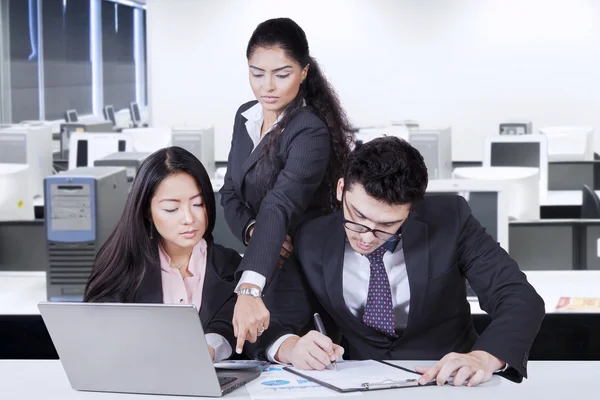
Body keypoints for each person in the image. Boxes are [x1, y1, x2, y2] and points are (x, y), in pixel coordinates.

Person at [261, 137, 545, 387]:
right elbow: (270, 320)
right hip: (360, 384)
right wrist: (291, 347)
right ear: (340, 190)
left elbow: (517, 297)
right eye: (357, 216)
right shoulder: (311, 237)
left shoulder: (450, 220)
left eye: (386, 225)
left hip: (450, 383)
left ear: (411, 211)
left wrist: (485, 358)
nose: (367, 238)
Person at [220, 17, 353, 354]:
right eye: (257, 73)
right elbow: (230, 191)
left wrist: (249, 288)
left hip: (297, 276)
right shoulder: (245, 117)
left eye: (282, 74)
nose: (268, 86)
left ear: (304, 72)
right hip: (261, 258)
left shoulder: (309, 131)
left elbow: (279, 204)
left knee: (296, 369)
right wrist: (252, 230)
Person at [84, 146, 241, 362]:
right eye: (171, 208)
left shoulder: (230, 265)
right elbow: (99, 327)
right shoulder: (122, 265)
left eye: (198, 204)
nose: (188, 218)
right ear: (147, 211)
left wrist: (208, 349)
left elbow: (230, 325)